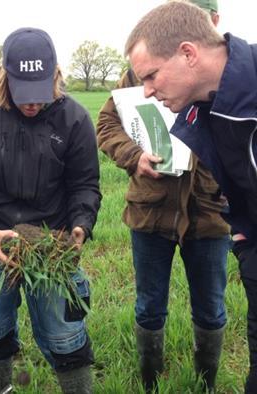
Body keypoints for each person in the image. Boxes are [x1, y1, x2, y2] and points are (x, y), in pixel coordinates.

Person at [0, 27, 101, 394]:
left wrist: (80, 225)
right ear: (4, 78)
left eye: (40, 93)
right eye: (23, 93)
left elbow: (84, 185)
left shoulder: (73, 118)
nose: (32, 104)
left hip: (51, 241)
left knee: (66, 335)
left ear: (56, 76)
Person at [97, 1, 230, 391]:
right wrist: (133, 157)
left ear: (214, 22)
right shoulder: (137, 75)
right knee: (149, 304)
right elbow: (106, 123)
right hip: (149, 212)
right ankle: (148, 382)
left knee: (211, 306)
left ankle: (206, 382)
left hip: (208, 213)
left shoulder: (226, 80)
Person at [124, 1, 257, 392]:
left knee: (210, 306)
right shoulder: (205, 107)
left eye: (151, 76)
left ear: (188, 53)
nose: (146, 91)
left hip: (208, 223)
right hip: (231, 243)